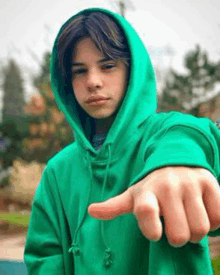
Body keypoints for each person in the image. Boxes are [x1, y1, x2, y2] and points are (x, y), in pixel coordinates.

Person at [24, 7, 220, 275]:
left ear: (132, 71)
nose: (93, 81)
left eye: (107, 66)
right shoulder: (57, 171)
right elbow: (43, 258)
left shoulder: (165, 134)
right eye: (79, 71)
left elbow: (191, 133)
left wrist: (179, 162)